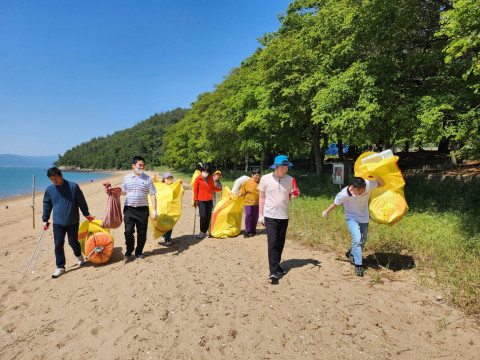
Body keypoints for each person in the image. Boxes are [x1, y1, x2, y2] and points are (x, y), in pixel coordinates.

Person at [322, 176, 384, 277]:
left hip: (364, 218)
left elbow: (381, 184)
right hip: (352, 218)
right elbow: (335, 204)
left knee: (363, 241)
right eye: (359, 190)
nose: (361, 192)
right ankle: (358, 265)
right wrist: (326, 212)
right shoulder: (343, 194)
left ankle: (351, 253)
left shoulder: (368, 184)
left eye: (363, 190)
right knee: (357, 238)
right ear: (352, 187)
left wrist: (377, 176)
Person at [42, 167, 94, 278]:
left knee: (72, 242)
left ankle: (78, 255)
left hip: (72, 221)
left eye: (55, 178)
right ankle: (60, 267)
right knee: (58, 245)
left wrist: (86, 214)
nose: (54, 181)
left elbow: (81, 202)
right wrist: (45, 219)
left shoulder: (73, 187)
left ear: (61, 175)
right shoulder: (50, 190)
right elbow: (47, 204)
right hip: (58, 222)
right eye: (51, 179)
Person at [105, 156, 157, 259]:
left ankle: (139, 251)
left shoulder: (148, 179)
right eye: (140, 165)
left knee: (142, 232)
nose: (142, 167)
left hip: (143, 209)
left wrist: (154, 209)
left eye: (143, 165)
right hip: (129, 209)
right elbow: (123, 191)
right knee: (128, 231)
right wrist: (112, 191)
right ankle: (129, 249)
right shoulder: (126, 178)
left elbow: (152, 194)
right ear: (133, 166)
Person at [258, 155, 299, 280]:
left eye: (286, 168)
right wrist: (261, 214)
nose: (285, 170)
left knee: (280, 243)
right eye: (282, 168)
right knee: (272, 243)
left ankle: (277, 265)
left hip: (283, 216)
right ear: (276, 167)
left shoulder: (290, 180)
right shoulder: (265, 179)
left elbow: (289, 198)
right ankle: (273, 271)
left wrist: (295, 195)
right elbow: (261, 197)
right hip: (270, 215)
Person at [193, 164, 221, 238]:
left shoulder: (211, 178)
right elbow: (195, 190)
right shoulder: (198, 179)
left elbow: (212, 187)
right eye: (204, 171)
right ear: (201, 171)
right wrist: (195, 200)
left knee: (208, 216)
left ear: (209, 172)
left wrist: (218, 189)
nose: (205, 172)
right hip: (201, 200)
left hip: (209, 199)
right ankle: (201, 231)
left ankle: (205, 231)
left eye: (207, 171)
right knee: (203, 216)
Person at [238, 168, 261, 237]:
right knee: (248, 214)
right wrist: (240, 194)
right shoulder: (247, 182)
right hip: (248, 202)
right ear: (252, 175)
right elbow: (242, 190)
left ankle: (253, 230)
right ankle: (247, 230)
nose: (257, 177)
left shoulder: (261, 182)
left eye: (259, 175)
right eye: (256, 175)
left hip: (257, 203)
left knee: (255, 217)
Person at [159, 172, 176, 246]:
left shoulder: (174, 186)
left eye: (171, 178)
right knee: (163, 223)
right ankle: (165, 235)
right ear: (164, 179)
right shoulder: (160, 186)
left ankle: (167, 239)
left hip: (171, 208)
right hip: (162, 208)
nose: (169, 179)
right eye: (168, 178)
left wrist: (180, 186)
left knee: (170, 223)